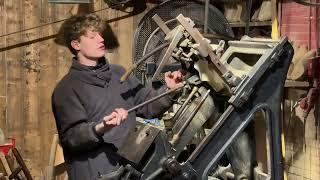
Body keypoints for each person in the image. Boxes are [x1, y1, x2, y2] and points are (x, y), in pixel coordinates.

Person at [51, 13, 183, 180]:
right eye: (92, 36)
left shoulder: (118, 73)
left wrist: (168, 90)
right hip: (97, 174)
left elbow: (146, 104)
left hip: (129, 171)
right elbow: (71, 138)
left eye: (100, 34)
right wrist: (101, 127)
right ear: (76, 44)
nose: (101, 39)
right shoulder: (67, 89)